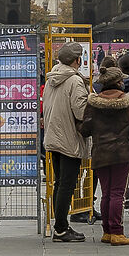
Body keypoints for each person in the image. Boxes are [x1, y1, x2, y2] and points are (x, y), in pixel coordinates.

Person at [78, 64, 129, 245]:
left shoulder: (93, 103)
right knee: (118, 193)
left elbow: (85, 129)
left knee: (106, 193)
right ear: (118, 82)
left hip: (100, 153)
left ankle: (107, 231)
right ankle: (117, 232)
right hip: (121, 153)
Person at [41, 42, 88, 242]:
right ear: (77, 60)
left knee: (60, 183)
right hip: (68, 136)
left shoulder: (52, 78)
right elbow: (81, 110)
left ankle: (60, 225)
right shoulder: (74, 81)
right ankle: (61, 228)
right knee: (67, 184)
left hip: (53, 135)